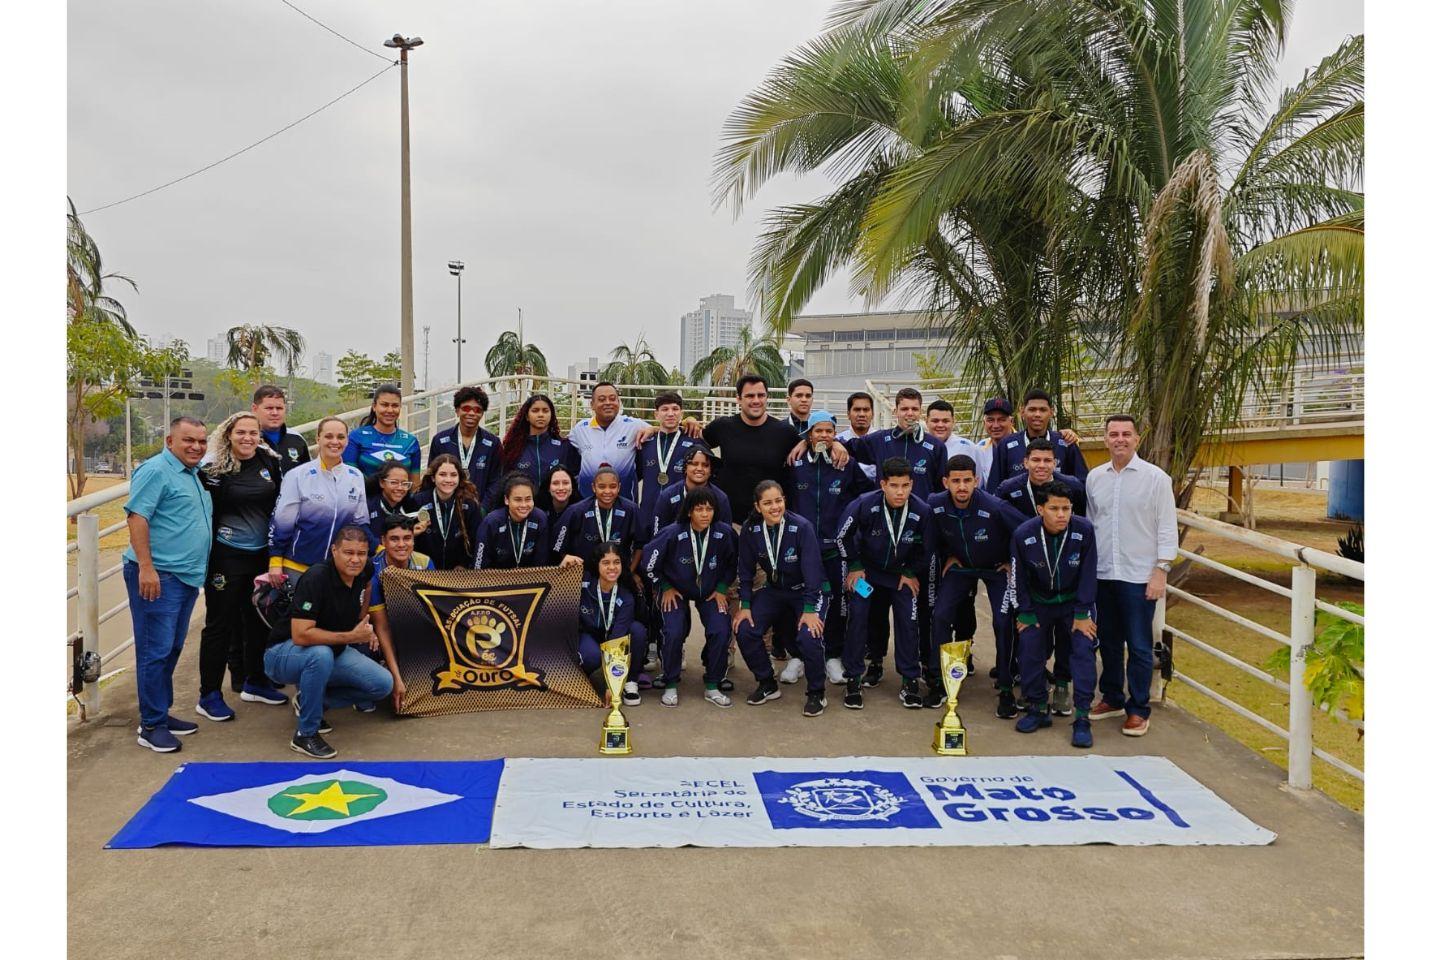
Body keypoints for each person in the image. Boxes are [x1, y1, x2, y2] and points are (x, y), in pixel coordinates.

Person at [263, 525, 397, 759]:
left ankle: (309, 701)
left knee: (383, 684)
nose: (355, 559)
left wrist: (362, 622)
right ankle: (305, 734)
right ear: (334, 550)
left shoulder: (363, 570)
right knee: (320, 654)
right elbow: (301, 635)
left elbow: (366, 584)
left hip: (331, 649)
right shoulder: (316, 577)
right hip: (282, 654)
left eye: (361, 553)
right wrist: (352, 637)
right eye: (348, 553)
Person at [123, 416, 213, 752]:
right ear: (169, 440)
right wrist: (146, 567)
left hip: (185, 576)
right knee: (154, 650)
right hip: (158, 576)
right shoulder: (156, 470)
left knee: (172, 647)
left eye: (201, 441)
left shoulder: (191, 473)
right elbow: (137, 517)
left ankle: (159, 711)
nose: (196, 447)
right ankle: (151, 725)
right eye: (189, 440)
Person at [1086, 414, 1177, 738]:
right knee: (1108, 642)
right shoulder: (1095, 478)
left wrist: (1161, 571)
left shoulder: (1156, 479)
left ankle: (1138, 710)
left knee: (1139, 645)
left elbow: (1167, 527)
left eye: (1126, 434)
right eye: (1114, 434)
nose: (1120, 439)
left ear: (1137, 439)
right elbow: (1090, 525)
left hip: (1139, 576)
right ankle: (1112, 697)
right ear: (1106, 439)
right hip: (1104, 574)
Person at [196, 412, 286, 721]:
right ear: (228, 434)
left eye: (253, 432)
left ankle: (255, 681)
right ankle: (209, 694)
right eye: (241, 432)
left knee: (257, 620)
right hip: (226, 556)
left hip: (261, 556)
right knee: (220, 624)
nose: (247, 438)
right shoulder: (213, 469)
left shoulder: (268, 463)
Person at [927, 455, 1027, 720]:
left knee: (1003, 621)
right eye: (956, 481)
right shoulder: (935, 505)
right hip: (961, 568)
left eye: (967, 481)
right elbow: (929, 536)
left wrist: (1010, 561)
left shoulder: (995, 506)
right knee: (940, 616)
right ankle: (940, 682)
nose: (962, 487)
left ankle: (1006, 687)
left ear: (977, 481)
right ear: (945, 482)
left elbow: (1027, 531)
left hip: (995, 569)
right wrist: (946, 553)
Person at [836, 457, 936, 711]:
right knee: (859, 615)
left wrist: (911, 571)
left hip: (899, 576)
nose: (900, 492)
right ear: (883, 484)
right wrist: (855, 566)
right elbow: (841, 537)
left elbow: (928, 549)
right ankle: (855, 678)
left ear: (912, 484)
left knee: (907, 619)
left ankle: (910, 680)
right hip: (866, 575)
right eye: (894, 485)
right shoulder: (863, 504)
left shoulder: (922, 510)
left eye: (905, 485)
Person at [1009, 481, 1099, 749]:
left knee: (1083, 650)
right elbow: (1017, 576)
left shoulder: (1084, 530)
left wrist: (1083, 612)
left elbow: (1089, 573)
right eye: (1054, 508)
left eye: (1066, 509)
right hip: (1038, 603)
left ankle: (1082, 716)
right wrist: (1024, 611)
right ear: (1040, 509)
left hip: (1074, 604)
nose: (1062, 515)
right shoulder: (1023, 534)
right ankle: (1037, 706)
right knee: (1029, 649)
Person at [787, 411, 872, 685]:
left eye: (828, 431)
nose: (823, 436)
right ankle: (798, 656)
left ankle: (833, 656)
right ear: (808, 435)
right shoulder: (795, 462)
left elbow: (867, 497)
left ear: (835, 434)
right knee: (799, 600)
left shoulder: (846, 464)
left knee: (837, 601)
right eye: (818, 431)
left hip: (837, 549)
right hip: (802, 549)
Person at [735, 480, 830, 716]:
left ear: (785, 500)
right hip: (775, 589)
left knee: (810, 635)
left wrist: (809, 609)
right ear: (758, 507)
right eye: (767, 503)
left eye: (778, 501)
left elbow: (813, 572)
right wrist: (744, 605)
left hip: (809, 592)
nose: (774, 507)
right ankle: (767, 683)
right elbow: (745, 570)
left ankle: (817, 692)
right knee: (745, 628)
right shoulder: (751, 529)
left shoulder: (801, 527)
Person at [641, 489, 738, 707]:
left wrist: (722, 588)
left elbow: (733, 564)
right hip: (675, 589)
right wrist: (664, 586)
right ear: (689, 512)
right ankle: (670, 683)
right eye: (699, 509)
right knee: (673, 631)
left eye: (709, 509)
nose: (705, 514)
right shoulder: (671, 533)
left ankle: (713, 684)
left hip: (711, 591)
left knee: (721, 630)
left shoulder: (725, 534)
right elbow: (648, 564)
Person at [703, 374, 819, 523]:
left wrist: (821, 443)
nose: (756, 400)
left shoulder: (784, 431)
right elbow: (695, 442)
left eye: (761, 395)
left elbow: (817, 448)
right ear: (738, 399)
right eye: (750, 396)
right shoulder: (722, 426)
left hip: (770, 522)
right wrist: (690, 422)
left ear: (767, 398)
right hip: (731, 521)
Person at [268, 416, 371, 584]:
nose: (335, 442)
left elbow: (360, 523)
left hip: (337, 568)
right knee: (298, 611)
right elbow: (281, 522)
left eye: (340, 437)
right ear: (318, 439)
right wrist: (275, 561)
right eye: (328, 436)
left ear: (347, 441)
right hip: (298, 566)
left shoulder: (356, 476)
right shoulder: (297, 475)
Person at [923, 400, 982, 676]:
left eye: (945, 420)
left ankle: (964, 653)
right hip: (935, 532)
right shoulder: (919, 445)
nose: (940, 425)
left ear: (953, 421)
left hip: (964, 536)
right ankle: (932, 658)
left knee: (965, 605)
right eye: (935, 420)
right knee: (931, 603)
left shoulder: (969, 448)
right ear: (927, 421)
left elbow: (981, 484)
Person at [360, 514, 432, 713]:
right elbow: (382, 627)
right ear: (383, 541)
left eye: (407, 538)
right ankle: (371, 688)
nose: (402, 545)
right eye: (394, 539)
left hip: (411, 625)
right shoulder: (372, 570)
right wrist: (397, 680)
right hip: (379, 629)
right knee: (368, 644)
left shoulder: (425, 563)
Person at [847, 387, 947, 504]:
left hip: (920, 517)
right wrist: (836, 445)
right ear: (895, 412)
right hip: (883, 516)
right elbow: (847, 448)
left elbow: (942, 490)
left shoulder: (936, 446)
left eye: (914, 409)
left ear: (920, 412)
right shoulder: (879, 440)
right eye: (904, 409)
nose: (910, 413)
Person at [578, 542, 648, 703]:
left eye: (616, 562)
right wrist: (563, 563)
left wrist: (611, 686)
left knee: (637, 630)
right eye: (606, 563)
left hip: (613, 637)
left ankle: (631, 681)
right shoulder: (583, 584)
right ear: (597, 565)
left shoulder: (626, 596)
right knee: (591, 656)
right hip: (589, 636)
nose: (612, 568)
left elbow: (617, 640)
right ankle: (582, 677)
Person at [552, 466, 648, 575]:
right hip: (584, 575)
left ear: (619, 487)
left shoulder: (631, 510)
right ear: (593, 487)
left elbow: (641, 544)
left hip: (618, 575)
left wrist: (630, 572)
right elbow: (558, 545)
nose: (607, 491)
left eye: (612, 486)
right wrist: (573, 569)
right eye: (602, 487)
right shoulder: (576, 511)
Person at [986, 389, 1086, 493]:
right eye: (1032, 409)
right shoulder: (1006, 445)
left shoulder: (1066, 442)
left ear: (1051, 412)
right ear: (1022, 411)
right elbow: (994, 489)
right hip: (1017, 509)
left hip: (1056, 508)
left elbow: (1082, 485)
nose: (1037, 414)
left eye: (1043, 410)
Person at [635, 391, 707, 518]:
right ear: (656, 414)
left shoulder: (693, 442)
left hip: (681, 512)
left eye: (675, 409)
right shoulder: (645, 442)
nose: (670, 413)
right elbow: (636, 474)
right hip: (648, 512)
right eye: (664, 409)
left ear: (682, 414)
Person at [569, 381, 648, 496]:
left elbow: (665, 429)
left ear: (618, 402)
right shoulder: (580, 429)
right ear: (592, 404)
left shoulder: (633, 425)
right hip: (587, 503)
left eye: (612, 399)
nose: (608, 403)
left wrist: (653, 429)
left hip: (624, 503)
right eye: (601, 399)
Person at [496, 393, 579, 500]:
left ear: (551, 415)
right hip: (524, 508)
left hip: (555, 510)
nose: (541, 415)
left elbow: (574, 480)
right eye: (535, 411)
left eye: (545, 411)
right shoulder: (513, 448)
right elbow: (504, 482)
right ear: (526, 416)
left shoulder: (565, 447)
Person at [427, 386, 502, 500]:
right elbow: (431, 477)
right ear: (457, 411)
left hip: (479, 510)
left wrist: (482, 510)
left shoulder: (493, 443)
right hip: (446, 508)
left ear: (482, 414)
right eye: (466, 408)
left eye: (477, 410)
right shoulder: (440, 441)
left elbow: (496, 482)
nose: (472, 413)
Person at [413, 454, 483, 570]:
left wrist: (464, 564)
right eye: (442, 474)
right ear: (433, 478)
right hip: (424, 571)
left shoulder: (469, 504)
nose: (448, 480)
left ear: (459, 478)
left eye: (453, 475)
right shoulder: (418, 501)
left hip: (457, 574)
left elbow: (476, 539)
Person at [344, 384, 422, 483]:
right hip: (365, 497)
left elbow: (414, 484)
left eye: (395, 405)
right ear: (374, 406)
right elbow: (349, 478)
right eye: (384, 405)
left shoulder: (410, 441)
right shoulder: (356, 437)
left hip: (400, 497)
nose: (390, 410)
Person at [474, 473, 553, 569]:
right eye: (518, 500)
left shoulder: (540, 519)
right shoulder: (491, 522)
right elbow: (480, 565)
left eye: (528, 499)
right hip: (495, 580)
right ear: (506, 500)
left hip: (531, 579)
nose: (524, 505)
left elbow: (542, 563)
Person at [651, 447, 733, 537]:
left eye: (705, 465)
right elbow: (658, 537)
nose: (699, 468)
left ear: (711, 471)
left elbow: (726, 537)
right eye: (694, 464)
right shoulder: (667, 496)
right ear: (685, 468)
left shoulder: (721, 498)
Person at [251, 384, 310, 474]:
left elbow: (309, 476)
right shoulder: (246, 441)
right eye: (269, 408)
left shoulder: (296, 439)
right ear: (255, 409)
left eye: (279, 408)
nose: (275, 413)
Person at [366, 461, 420, 542]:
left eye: (405, 483)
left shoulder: (409, 507)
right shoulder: (367, 506)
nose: (400, 488)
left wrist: (412, 533)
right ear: (382, 483)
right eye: (394, 482)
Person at [971, 397, 1016, 491]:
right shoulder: (979, 448)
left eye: (1001, 420)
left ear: (1011, 422)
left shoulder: (1025, 444)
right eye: (990, 420)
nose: (995, 425)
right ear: (984, 422)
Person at [542, 464, 583, 543]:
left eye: (565, 483)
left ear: (572, 486)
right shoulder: (538, 509)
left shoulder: (582, 511)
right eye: (555, 483)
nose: (561, 488)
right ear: (548, 487)